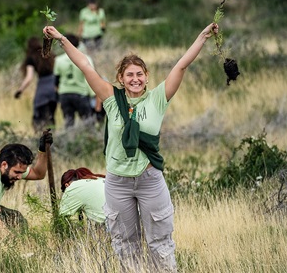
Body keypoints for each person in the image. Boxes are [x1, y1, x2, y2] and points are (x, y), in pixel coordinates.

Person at [43, 22, 219, 272]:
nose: (135, 79)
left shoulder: (158, 99)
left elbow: (181, 65)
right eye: (129, 75)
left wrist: (202, 36)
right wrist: (61, 38)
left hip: (149, 179)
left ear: (146, 77)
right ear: (121, 79)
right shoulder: (112, 99)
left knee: (160, 243)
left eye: (139, 74)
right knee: (125, 245)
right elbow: (84, 64)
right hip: (117, 182)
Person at [14, 37, 58, 132]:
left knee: (39, 118)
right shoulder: (50, 54)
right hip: (54, 88)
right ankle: (53, 137)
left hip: (43, 88)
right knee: (51, 117)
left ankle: (41, 139)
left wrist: (20, 90)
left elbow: (29, 78)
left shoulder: (31, 58)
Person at [53, 34, 96, 129]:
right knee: (88, 123)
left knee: (68, 123)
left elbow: (56, 80)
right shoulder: (86, 59)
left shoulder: (58, 60)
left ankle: (69, 142)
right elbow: (91, 78)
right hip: (81, 93)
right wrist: (93, 94)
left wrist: (58, 95)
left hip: (65, 94)